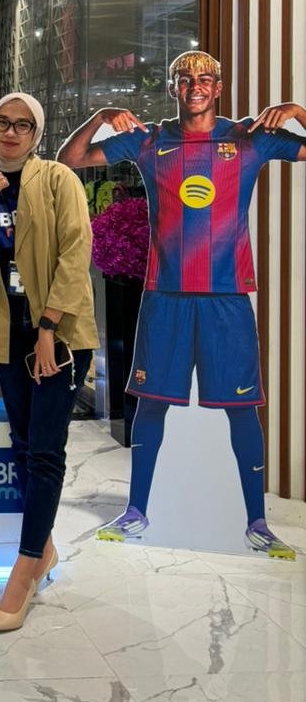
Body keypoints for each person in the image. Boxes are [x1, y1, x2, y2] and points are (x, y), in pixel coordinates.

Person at [57, 50, 306, 558]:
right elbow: (69, 160)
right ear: (174, 87)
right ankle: (137, 510)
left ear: (219, 87)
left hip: (227, 297)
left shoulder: (249, 137)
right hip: (164, 295)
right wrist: (101, 116)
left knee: (242, 408)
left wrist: (299, 112)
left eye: (205, 78)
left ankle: (256, 521)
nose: (195, 85)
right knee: (152, 403)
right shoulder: (149, 140)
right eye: (185, 78)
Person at [0, 93, 98, 632]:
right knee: (21, 443)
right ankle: (44, 547)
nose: (10, 132)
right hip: (8, 332)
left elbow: (75, 254)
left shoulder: (58, 179)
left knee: (44, 450)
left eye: (22, 125)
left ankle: (24, 568)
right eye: (2, 123)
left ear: (36, 134)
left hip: (57, 333)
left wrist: (48, 329)